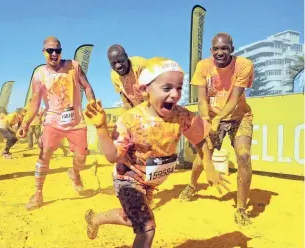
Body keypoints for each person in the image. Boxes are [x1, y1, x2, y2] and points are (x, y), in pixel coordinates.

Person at [84, 57, 229, 248]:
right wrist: (102, 128)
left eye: (179, 87)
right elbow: (113, 156)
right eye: (167, 88)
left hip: (150, 183)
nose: (175, 94)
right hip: (128, 179)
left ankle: (96, 219)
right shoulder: (130, 120)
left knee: (134, 218)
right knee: (146, 229)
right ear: (145, 90)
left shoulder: (181, 116)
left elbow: (200, 139)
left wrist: (208, 164)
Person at [178, 33, 254, 226]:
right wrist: (206, 119)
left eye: (225, 48)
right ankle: (192, 185)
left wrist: (219, 118)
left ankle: (241, 208)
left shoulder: (244, 65)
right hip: (211, 117)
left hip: (239, 117)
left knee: (244, 156)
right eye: (217, 49)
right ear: (211, 50)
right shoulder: (203, 67)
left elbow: (235, 98)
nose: (221, 52)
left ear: (232, 49)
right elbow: (202, 100)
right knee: (203, 157)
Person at [16, 36, 96, 210]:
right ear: (43, 52)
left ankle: (74, 173)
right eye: (50, 50)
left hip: (76, 121)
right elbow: (35, 102)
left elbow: (87, 87)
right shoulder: (39, 75)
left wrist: (92, 104)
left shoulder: (74, 66)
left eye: (57, 50)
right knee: (44, 156)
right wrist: (25, 124)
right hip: (52, 121)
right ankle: (38, 194)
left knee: (81, 158)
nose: (54, 54)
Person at [108, 45, 147, 110]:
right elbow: (123, 96)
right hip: (137, 109)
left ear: (126, 56)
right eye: (113, 63)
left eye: (121, 61)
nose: (118, 66)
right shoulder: (113, 75)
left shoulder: (141, 64)